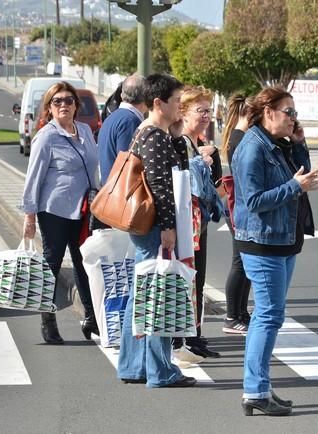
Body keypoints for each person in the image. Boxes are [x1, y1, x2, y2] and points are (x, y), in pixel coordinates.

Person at [231, 87, 318, 416]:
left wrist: (299, 143)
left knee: (270, 316)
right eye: (289, 112)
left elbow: (304, 174)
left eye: (295, 113)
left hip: (283, 239)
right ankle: (255, 390)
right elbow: (253, 201)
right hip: (262, 241)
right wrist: (294, 187)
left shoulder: (278, 144)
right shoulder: (251, 148)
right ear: (268, 112)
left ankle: (260, 387)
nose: (293, 118)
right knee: (267, 316)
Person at [116, 73, 197, 388]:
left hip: (147, 225)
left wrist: (177, 136)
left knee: (143, 294)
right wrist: (168, 227)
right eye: (176, 101)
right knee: (159, 295)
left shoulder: (153, 133)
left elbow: (175, 173)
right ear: (158, 103)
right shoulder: (153, 136)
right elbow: (164, 185)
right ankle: (160, 371)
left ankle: (134, 366)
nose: (180, 106)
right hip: (154, 226)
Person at [21, 81, 99, 345]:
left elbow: (93, 167)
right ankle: (47, 320)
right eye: (57, 102)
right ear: (49, 108)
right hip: (54, 209)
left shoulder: (86, 130)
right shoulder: (46, 136)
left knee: (84, 262)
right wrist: (29, 215)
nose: (64, 105)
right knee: (52, 264)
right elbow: (33, 177)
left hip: (83, 209)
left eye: (68, 100)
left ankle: (91, 317)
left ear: (76, 105)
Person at [174, 85, 222, 359]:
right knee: (189, 279)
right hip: (185, 224)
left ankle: (195, 334)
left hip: (198, 222)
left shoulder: (196, 142)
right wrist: (200, 162)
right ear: (183, 112)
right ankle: (185, 337)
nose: (206, 115)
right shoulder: (181, 141)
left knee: (198, 279)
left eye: (208, 110)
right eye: (200, 110)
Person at [220, 94, 253, 335]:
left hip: (238, 206)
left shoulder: (239, 136)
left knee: (245, 262)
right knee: (240, 262)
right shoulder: (240, 138)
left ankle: (241, 312)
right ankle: (232, 316)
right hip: (238, 207)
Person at [98, 74, 148, 185]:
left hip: (110, 191)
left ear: (121, 95)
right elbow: (128, 165)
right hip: (121, 195)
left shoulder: (112, 117)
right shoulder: (130, 121)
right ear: (146, 96)